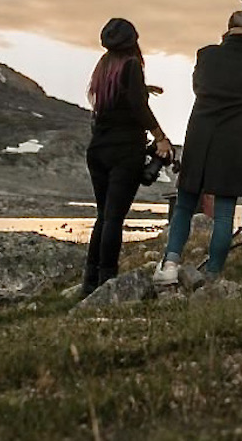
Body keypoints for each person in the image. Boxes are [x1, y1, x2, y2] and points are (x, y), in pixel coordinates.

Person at [153, 10, 242, 284]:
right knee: (224, 213)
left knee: (184, 204)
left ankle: (170, 265)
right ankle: (213, 276)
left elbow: (198, 85)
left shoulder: (206, 56)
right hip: (234, 146)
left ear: (228, 29)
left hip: (201, 138)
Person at [82, 18, 172, 296]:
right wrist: (160, 137)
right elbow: (136, 107)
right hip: (124, 151)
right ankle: (108, 282)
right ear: (133, 41)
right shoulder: (131, 65)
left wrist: (142, 89)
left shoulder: (104, 66)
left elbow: (117, 102)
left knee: (103, 217)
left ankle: (90, 282)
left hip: (98, 149)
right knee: (114, 219)